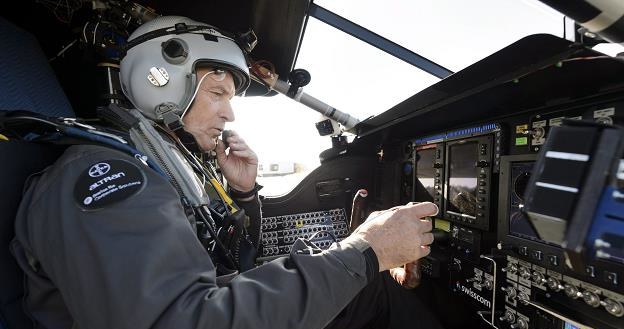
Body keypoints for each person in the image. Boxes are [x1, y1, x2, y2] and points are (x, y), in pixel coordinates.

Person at [10, 16, 442, 329]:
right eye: (217, 92)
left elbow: (226, 259)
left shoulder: (156, 163)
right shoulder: (107, 177)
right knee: (373, 287)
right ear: (157, 80)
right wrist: (365, 252)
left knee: (371, 288)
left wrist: (245, 193)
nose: (229, 111)